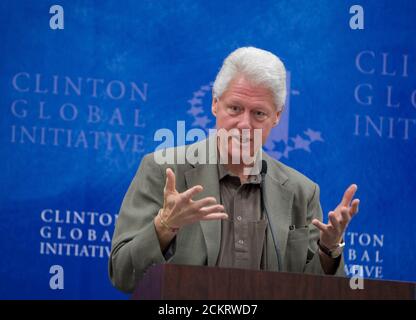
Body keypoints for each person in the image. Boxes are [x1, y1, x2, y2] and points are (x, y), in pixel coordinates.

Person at [109, 47, 360, 293]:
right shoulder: (163, 170)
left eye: (259, 113)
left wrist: (328, 249)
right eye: (235, 108)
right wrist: (164, 226)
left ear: (277, 117)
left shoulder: (301, 192)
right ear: (215, 104)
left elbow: (313, 292)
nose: (244, 124)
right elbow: (122, 274)